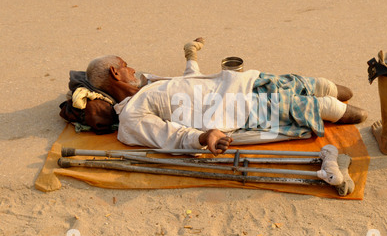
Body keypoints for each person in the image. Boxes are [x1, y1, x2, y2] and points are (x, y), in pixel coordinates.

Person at [85, 38, 367, 155]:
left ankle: (323, 92)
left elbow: (189, 80)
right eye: (126, 65)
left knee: (315, 85)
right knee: (323, 106)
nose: (132, 67)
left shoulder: (147, 84)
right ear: (115, 73)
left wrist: (190, 53)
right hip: (237, 110)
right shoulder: (131, 118)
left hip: (243, 81)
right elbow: (169, 136)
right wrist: (204, 136)